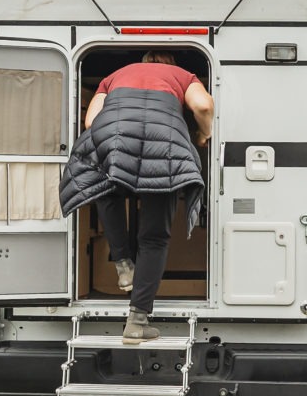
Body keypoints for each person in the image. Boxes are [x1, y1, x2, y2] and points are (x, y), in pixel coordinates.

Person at [60, 50, 213, 344]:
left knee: (105, 188)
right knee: (154, 237)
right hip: (164, 146)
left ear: (141, 62)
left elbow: (92, 121)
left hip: (114, 139)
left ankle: (122, 265)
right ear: (171, 64)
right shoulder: (182, 76)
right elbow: (204, 106)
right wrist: (204, 135)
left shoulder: (115, 77)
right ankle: (137, 322)